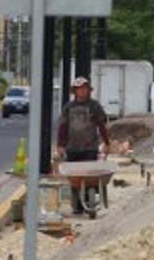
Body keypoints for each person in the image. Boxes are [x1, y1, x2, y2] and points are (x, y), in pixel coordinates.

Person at [57, 77, 110, 215]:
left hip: (90, 147)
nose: (82, 91)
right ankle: (77, 204)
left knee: (89, 177)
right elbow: (63, 127)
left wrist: (106, 142)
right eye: (79, 89)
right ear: (75, 91)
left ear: (88, 90)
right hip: (72, 147)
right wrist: (60, 145)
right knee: (75, 179)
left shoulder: (94, 106)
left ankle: (88, 198)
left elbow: (101, 125)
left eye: (85, 88)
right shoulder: (68, 107)